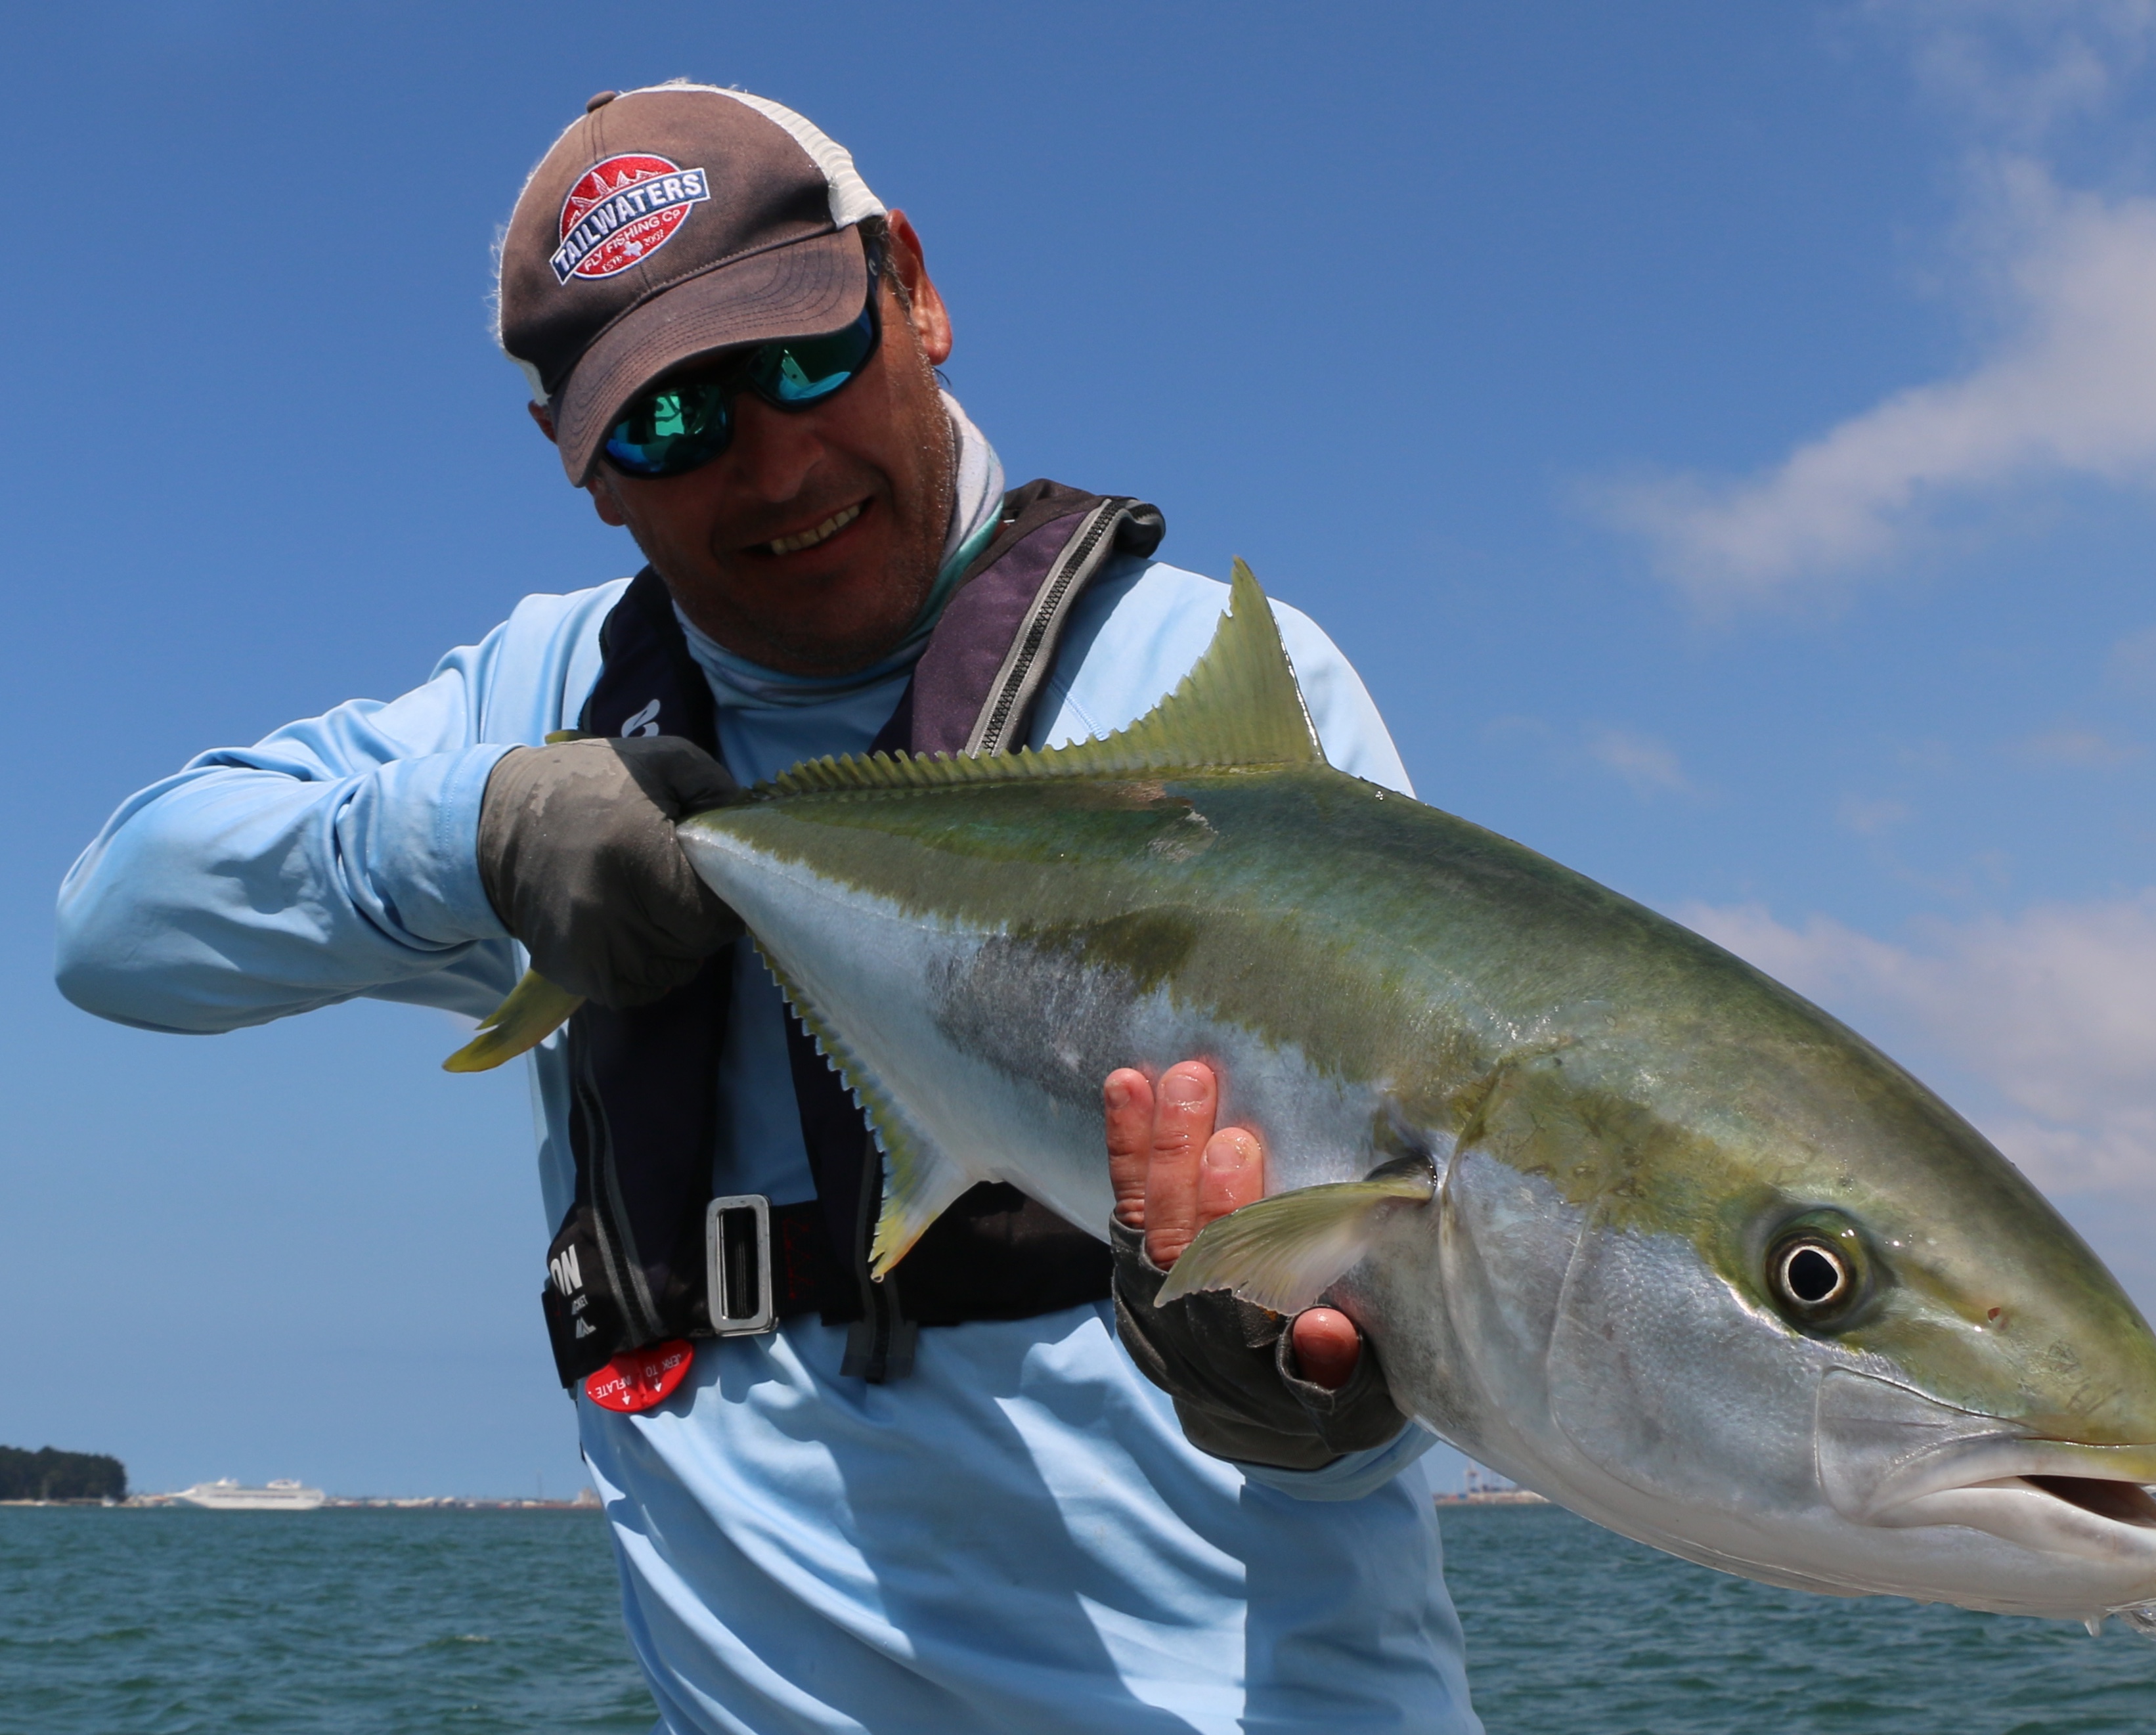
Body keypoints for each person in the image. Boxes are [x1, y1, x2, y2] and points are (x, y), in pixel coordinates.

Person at [56, 82, 1476, 1734]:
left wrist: (1329, 1397)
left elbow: (1452, 1292)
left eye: (806, 353)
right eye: (670, 422)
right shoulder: (548, 692)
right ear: (576, 463)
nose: (776, 459)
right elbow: (113, 924)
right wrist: (478, 826)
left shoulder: (1221, 707)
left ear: (915, 291)